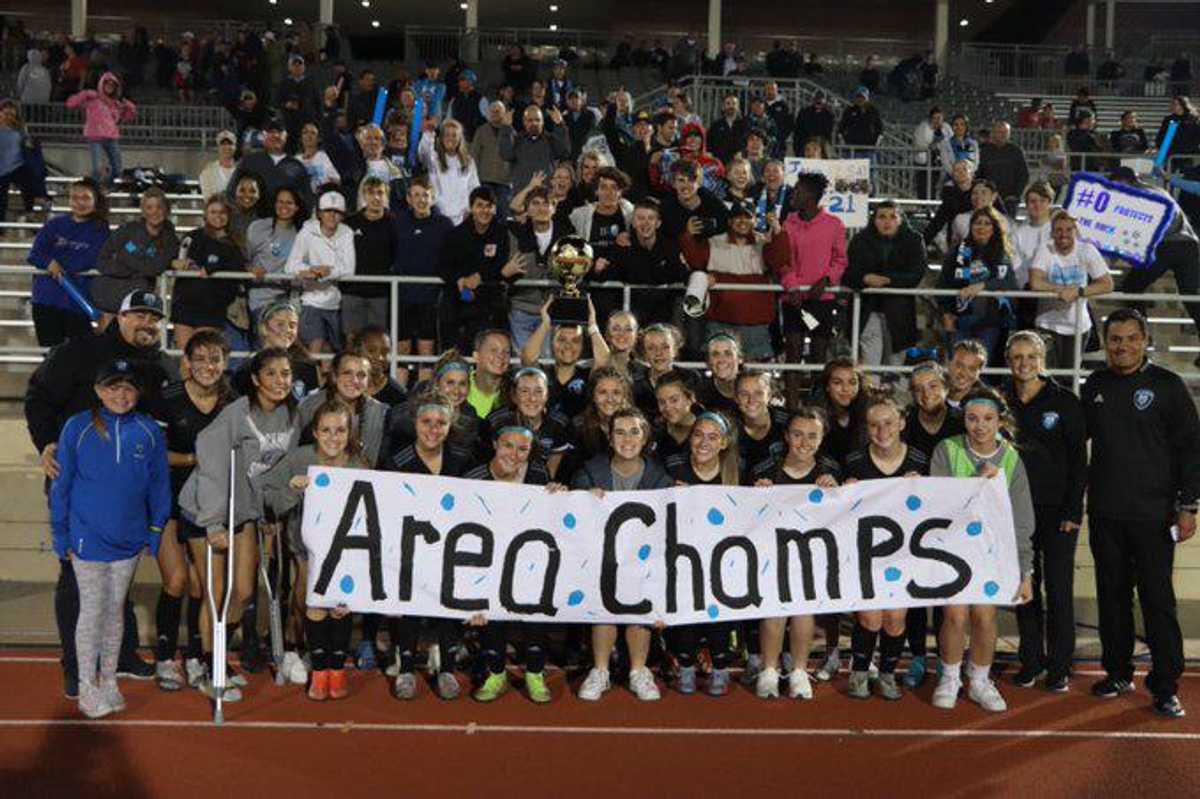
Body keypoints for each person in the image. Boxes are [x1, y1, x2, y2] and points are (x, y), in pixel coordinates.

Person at [26, 289, 174, 698]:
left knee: (118, 575)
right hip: (77, 483)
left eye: (154, 318)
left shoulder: (158, 366)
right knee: (76, 573)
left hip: (126, 490)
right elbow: (37, 396)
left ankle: (120, 653)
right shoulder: (78, 350)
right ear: (120, 316)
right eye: (139, 315)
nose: (147, 324)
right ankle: (76, 665)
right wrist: (45, 444)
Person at [1082, 308, 1198, 718]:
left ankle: (1165, 686)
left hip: (1154, 516)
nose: (1123, 346)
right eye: (1115, 339)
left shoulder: (1168, 386)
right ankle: (1117, 672)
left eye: (1131, 338)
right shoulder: (1094, 385)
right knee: (1112, 599)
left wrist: (1188, 506)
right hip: (1106, 513)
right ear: (1106, 341)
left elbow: (1190, 451)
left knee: (1157, 601)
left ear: (1145, 339)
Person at [50, 359, 170, 717]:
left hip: (129, 540)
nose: (121, 394)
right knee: (92, 609)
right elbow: (62, 485)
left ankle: (108, 681)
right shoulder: (77, 427)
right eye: (113, 386)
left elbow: (159, 486)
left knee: (115, 609)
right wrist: (60, 534)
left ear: (138, 392)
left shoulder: (148, 431)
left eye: (128, 387)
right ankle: (87, 686)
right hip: (87, 538)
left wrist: (155, 529)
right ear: (98, 390)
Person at [180, 346, 299, 701]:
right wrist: (214, 523)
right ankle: (205, 662)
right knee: (217, 592)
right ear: (255, 379)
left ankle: (213, 650)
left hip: (244, 509)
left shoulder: (290, 417)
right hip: (207, 508)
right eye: (272, 374)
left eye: (286, 374)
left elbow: (275, 471)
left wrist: (270, 509)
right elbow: (213, 465)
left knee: (245, 591)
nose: (280, 381)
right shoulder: (236, 414)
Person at [930, 386, 1036, 712]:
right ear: (964, 419)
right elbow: (938, 504)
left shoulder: (1012, 458)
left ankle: (979, 679)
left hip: (993, 553)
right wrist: (979, 481)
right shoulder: (947, 450)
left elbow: (1022, 518)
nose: (980, 426)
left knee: (985, 615)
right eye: (973, 418)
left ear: (999, 421)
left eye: (988, 419)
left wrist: (1025, 570)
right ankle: (949, 676)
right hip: (954, 549)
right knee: (955, 614)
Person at [261, 399, 365, 701]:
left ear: (350, 433)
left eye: (341, 431)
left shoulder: (359, 465)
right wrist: (293, 489)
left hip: (346, 549)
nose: (334, 437)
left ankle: (337, 666)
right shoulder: (298, 459)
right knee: (312, 599)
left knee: (341, 604)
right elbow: (273, 502)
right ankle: (320, 668)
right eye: (327, 430)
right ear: (316, 433)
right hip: (307, 546)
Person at [1002, 331, 1086, 692]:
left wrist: (1073, 509)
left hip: (1058, 513)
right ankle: (1031, 660)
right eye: (1017, 357)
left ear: (1042, 359)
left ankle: (1060, 666)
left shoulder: (1065, 401)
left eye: (1031, 357)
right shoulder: (1000, 401)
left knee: (1059, 589)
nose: (1024, 364)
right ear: (1008, 361)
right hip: (1014, 513)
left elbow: (1079, 462)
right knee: (1025, 589)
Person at [151, 330, 234, 692]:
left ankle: (199, 657)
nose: (207, 366)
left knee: (204, 584)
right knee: (177, 580)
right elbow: (154, 453)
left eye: (214, 359)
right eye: (199, 358)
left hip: (208, 505)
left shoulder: (232, 401)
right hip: (169, 499)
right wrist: (193, 459)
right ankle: (166, 657)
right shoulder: (167, 398)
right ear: (186, 361)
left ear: (225, 363)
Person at [573, 407, 672, 702]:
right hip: (599, 561)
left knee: (638, 605)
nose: (627, 439)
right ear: (609, 436)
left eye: (634, 432)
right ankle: (600, 669)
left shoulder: (660, 478)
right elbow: (570, 517)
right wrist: (581, 499)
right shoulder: (589, 472)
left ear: (645, 438)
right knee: (603, 604)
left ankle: (638, 671)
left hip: (643, 564)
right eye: (620, 432)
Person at [381, 395, 474, 699]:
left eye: (441, 423)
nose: (433, 429)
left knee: (447, 603)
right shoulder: (397, 461)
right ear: (415, 423)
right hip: (410, 550)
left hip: (451, 549)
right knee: (410, 606)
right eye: (426, 422)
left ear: (450, 425)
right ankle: (406, 668)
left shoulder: (461, 458)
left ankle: (447, 667)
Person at [462, 426, 562, 703]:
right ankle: (496, 674)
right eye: (508, 446)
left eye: (523, 449)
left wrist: (559, 495)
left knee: (535, 618)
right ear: (495, 444)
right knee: (494, 618)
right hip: (489, 563)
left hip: (529, 561)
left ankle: (535, 673)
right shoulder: (473, 478)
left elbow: (554, 517)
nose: (514, 454)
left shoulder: (539, 476)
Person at [842, 392, 927, 702]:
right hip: (864, 554)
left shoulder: (919, 461)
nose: (882, 431)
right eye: (874, 425)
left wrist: (923, 489)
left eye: (889, 423)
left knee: (894, 619)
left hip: (904, 553)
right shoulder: (854, 462)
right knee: (869, 618)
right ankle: (860, 671)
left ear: (902, 423)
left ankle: (889, 672)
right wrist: (841, 491)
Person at [751, 408, 839, 699]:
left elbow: (846, 514)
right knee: (774, 611)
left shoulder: (830, 471)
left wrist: (838, 492)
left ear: (822, 437)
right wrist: (757, 494)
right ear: (787, 436)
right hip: (772, 555)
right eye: (798, 434)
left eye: (812, 436)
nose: (804, 442)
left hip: (812, 558)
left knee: (804, 610)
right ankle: (769, 670)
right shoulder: (765, 470)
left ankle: (800, 671)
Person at [663, 412, 741, 696]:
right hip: (682, 559)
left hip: (724, 561)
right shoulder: (672, 468)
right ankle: (685, 666)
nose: (704, 442)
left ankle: (720, 667)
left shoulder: (738, 472)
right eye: (698, 435)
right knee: (686, 612)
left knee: (718, 614)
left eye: (712, 437)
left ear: (723, 443)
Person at [1107, 167, 1200, 363]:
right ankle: (1142, 339)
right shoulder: (1155, 190)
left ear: (1127, 182)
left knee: (1132, 287)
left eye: (1116, 187)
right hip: (1188, 244)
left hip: (1168, 244)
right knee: (1191, 296)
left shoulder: (1141, 196)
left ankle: (1141, 341)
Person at [681, 199, 789, 361]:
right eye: (738, 217)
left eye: (747, 217)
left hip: (756, 324)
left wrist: (777, 230)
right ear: (730, 221)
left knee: (755, 370)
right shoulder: (714, 242)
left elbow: (779, 260)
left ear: (754, 221)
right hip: (720, 322)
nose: (742, 221)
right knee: (720, 369)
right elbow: (695, 261)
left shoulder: (764, 243)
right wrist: (688, 235)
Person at [778, 172, 848, 407]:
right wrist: (792, 286)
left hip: (822, 300)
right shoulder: (788, 223)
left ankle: (819, 408)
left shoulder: (834, 225)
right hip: (793, 300)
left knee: (820, 357)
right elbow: (784, 260)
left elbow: (840, 260)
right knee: (793, 356)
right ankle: (790, 409)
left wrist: (826, 280)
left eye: (798, 191)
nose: (793, 195)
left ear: (810, 196)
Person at [27, 177, 109, 346]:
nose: (80, 203)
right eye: (75, 198)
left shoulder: (100, 230)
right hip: (46, 299)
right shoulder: (54, 224)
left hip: (78, 302)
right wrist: (49, 262)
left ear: (96, 201)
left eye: (85, 198)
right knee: (51, 356)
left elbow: (90, 260)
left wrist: (58, 262)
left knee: (76, 358)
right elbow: (35, 254)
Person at [844, 201, 926, 367]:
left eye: (892, 217)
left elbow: (916, 274)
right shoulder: (860, 240)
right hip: (867, 309)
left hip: (899, 311)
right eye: (881, 217)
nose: (887, 222)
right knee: (870, 364)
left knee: (895, 365)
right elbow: (848, 274)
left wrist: (888, 280)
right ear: (874, 220)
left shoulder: (914, 240)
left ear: (900, 220)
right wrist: (865, 278)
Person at [1027, 210, 1113, 367]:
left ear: (1076, 231)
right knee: (1047, 375)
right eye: (1059, 230)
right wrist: (1061, 289)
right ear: (1052, 232)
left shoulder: (1086, 250)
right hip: (1048, 323)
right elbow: (1035, 282)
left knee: (1069, 378)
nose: (1063, 234)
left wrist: (1078, 291)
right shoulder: (1045, 249)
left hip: (1079, 325)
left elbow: (1107, 284)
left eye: (1068, 229)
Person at [438, 188, 514, 353]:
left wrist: (481, 276)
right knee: (458, 354)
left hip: (491, 306)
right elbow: (443, 267)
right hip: (458, 306)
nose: (485, 211)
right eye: (480, 206)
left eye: (489, 206)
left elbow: (502, 264)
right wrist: (459, 279)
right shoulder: (455, 235)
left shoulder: (501, 234)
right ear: (471, 208)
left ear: (494, 209)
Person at [393, 176, 452, 385]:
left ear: (432, 198)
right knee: (402, 350)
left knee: (426, 350)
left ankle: (423, 395)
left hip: (430, 296)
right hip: (402, 295)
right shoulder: (398, 221)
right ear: (408, 198)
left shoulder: (444, 225)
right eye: (416, 195)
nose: (421, 199)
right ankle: (399, 397)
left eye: (425, 195)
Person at [169, 195, 245, 354]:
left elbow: (235, 269)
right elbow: (175, 258)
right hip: (185, 305)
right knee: (186, 358)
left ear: (229, 215)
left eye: (222, 212)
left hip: (212, 308)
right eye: (213, 212)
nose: (218, 216)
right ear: (205, 214)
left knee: (202, 356)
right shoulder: (193, 237)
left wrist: (212, 268)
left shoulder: (234, 244)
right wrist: (175, 262)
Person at [938, 207, 1017, 359]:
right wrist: (946, 312)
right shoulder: (956, 253)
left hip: (991, 321)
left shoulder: (1002, 253)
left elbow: (1008, 283)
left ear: (994, 228)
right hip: (959, 319)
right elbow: (944, 284)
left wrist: (983, 286)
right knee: (958, 365)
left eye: (987, 223)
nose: (982, 227)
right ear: (971, 226)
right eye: (977, 223)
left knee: (981, 368)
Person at [93, 187, 178, 324]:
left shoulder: (171, 240)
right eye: (149, 207)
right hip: (110, 294)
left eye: (159, 207)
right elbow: (102, 260)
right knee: (106, 338)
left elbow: (156, 268)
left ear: (166, 210)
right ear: (143, 211)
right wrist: (130, 270)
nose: (154, 212)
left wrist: (125, 258)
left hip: (139, 302)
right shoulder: (127, 230)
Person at [285, 189, 355, 354]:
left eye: (336, 212)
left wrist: (327, 272)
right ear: (319, 213)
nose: (332, 215)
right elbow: (290, 265)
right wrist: (310, 270)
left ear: (342, 215)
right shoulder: (307, 232)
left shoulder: (346, 233)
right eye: (327, 211)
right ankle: (313, 379)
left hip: (335, 302)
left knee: (333, 351)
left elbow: (349, 269)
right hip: (311, 301)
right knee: (316, 346)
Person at [507, 187, 573, 352]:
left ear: (554, 208)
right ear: (527, 209)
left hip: (553, 310)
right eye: (535, 203)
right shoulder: (515, 233)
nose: (541, 208)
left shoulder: (567, 236)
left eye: (546, 203)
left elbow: (572, 275)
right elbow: (512, 270)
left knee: (548, 364)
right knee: (523, 364)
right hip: (521, 309)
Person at [520, 303, 610, 421]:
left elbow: (604, 360)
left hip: (580, 437)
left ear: (583, 346)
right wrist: (545, 324)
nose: (568, 346)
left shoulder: (587, 376)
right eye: (562, 339)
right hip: (546, 437)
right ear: (552, 342)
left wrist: (592, 325)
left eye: (575, 341)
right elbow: (527, 358)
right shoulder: (542, 375)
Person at [609, 197, 688, 326]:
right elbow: (613, 274)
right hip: (632, 312)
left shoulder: (670, 246)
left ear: (658, 223)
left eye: (650, 218)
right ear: (633, 222)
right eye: (640, 218)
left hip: (664, 312)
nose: (645, 223)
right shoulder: (622, 246)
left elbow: (680, 274)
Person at [66, 71, 136, 184]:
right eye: (106, 84)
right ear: (101, 85)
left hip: (112, 137)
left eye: (112, 85)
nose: (109, 87)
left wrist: (130, 107)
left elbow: (127, 118)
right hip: (95, 138)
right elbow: (70, 104)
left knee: (118, 168)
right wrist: (85, 93)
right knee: (97, 169)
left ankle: (110, 187)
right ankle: (95, 190)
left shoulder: (116, 104)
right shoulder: (92, 99)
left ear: (116, 88)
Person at [417, 118, 480, 226]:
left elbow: (474, 187)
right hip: (440, 216)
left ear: (460, 139)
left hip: (464, 217)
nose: (450, 138)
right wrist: (428, 133)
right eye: (447, 135)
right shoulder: (434, 160)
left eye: (454, 135)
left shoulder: (468, 162)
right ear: (441, 138)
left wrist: (470, 210)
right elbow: (423, 152)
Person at [500, 104, 571, 195]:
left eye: (537, 120)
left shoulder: (550, 140)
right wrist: (506, 128)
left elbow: (564, 152)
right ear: (524, 122)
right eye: (530, 120)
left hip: (546, 195)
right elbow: (506, 155)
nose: (534, 123)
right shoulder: (517, 140)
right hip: (521, 195)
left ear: (543, 122)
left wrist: (560, 125)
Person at [471, 101, 514, 214]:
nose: (495, 113)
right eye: (492, 111)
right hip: (485, 179)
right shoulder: (481, 130)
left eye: (498, 111)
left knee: (503, 213)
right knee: (486, 212)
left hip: (504, 180)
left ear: (504, 113)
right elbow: (474, 155)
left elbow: (514, 155)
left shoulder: (511, 131)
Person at [978, 121, 1028, 213]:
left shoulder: (1016, 151)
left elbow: (1024, 175)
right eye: (1000, 132)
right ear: (993, 133)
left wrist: (1016, 195)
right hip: (988, 198)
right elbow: (979, 175)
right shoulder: (984, 152)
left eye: (1006, 132)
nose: (1003, 135)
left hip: (1009, 200)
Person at [924, 159, 975, 248]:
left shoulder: (981, 190)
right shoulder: (949, 193)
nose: (960, 172)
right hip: (957, 236)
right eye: (956, 170)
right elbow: (939, 220)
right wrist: (922, 242)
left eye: (964, 169)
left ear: (972, 173)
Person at [652, 369, 699, 462]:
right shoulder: (655, 433)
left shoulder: (708, 429)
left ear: (691, 398)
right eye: (662, 402)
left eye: (674, 400)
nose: (668, 407)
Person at [837, 87, 883, 155]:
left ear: (867, 98)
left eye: (862, 97)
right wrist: (842, 140)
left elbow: (879, 128)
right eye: (858, 97)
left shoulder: (873, 111)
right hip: (852, 147)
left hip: (868, 147)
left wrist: (877, 141)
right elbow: (841, 127)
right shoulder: (849, 110)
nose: (860, 99)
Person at [937, 114, 979, 184]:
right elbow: (946, 163)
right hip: (951, 179)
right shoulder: (945, 144)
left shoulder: (973, 143)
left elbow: (975, 163)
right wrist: (957, 175)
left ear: (966, 126)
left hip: (969, 179)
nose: (959, 127)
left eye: (962, 124)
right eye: (956, 124)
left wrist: (967, 175)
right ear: (952, 127)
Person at [707, 93, 748, 164]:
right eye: (728, 103)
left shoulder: (745, 124)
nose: (731, 106)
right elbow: (710, 144)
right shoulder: (716, 125)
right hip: (719, 162)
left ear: (738, 107)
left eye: (734, 104)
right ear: (723, 107)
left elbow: (748, 143)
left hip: (739, 162)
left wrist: (742, 153)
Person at [946, 339, 987, 407]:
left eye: (971, 369)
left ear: (979, 373)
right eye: (959, 365)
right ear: (948, 364)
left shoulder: (987, 402)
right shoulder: (930, 393)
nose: (963, 374)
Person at [199, 129, 239, 199]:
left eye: (230, 143)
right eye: (223, 144)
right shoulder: (208, 171)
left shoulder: (241, 169)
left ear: (235, 147)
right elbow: (207, 197)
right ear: (218, 147)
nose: (226, 147)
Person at [793, 91, 835, 156]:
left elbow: (829, 131)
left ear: (824, 101)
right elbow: (798, 130)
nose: (819, 101)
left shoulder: (829, 114)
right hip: (805, 141)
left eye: (821, 99)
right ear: (813, 99)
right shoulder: (804, 112)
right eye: (817, 99)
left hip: (822, 143)